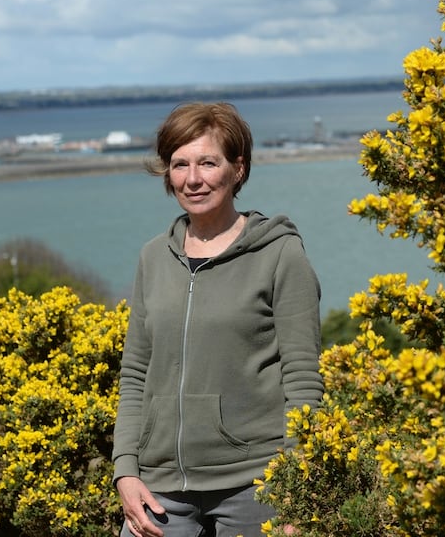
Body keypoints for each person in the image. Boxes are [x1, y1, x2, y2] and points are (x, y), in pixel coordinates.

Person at [112, 102, 324, 537]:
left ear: (237, 169)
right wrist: (125, 471)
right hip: (160, 485)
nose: (193, 179)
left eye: (208, 163)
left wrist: (298, 489)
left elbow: (302, 378)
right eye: (180, 165)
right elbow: (135, 373)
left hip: (256, 483)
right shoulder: (153, 257)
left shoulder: (280, 254)